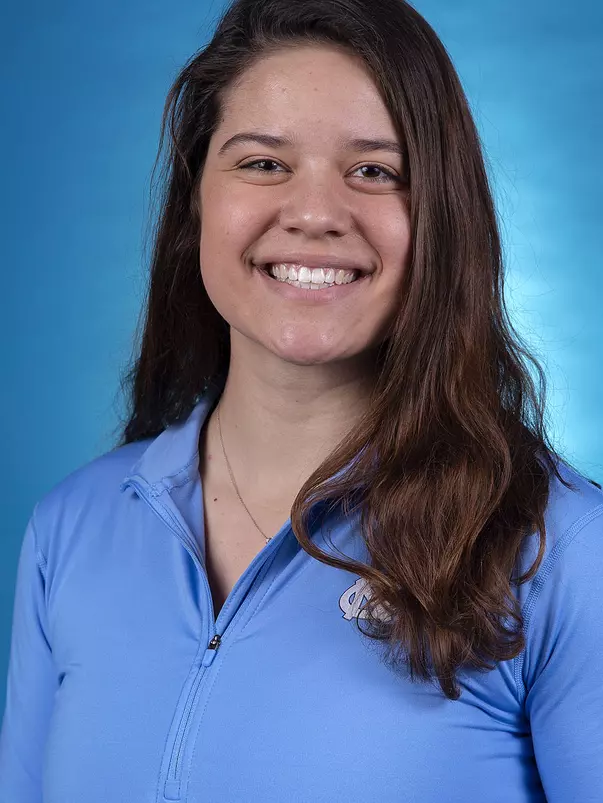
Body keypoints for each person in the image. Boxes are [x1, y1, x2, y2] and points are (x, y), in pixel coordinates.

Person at [1, 0, 602, 800]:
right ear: (195, 205)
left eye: (374, 171)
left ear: (441, 221)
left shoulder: (561, 551)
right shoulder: (70, 529)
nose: (316, 213)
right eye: (262, 163)